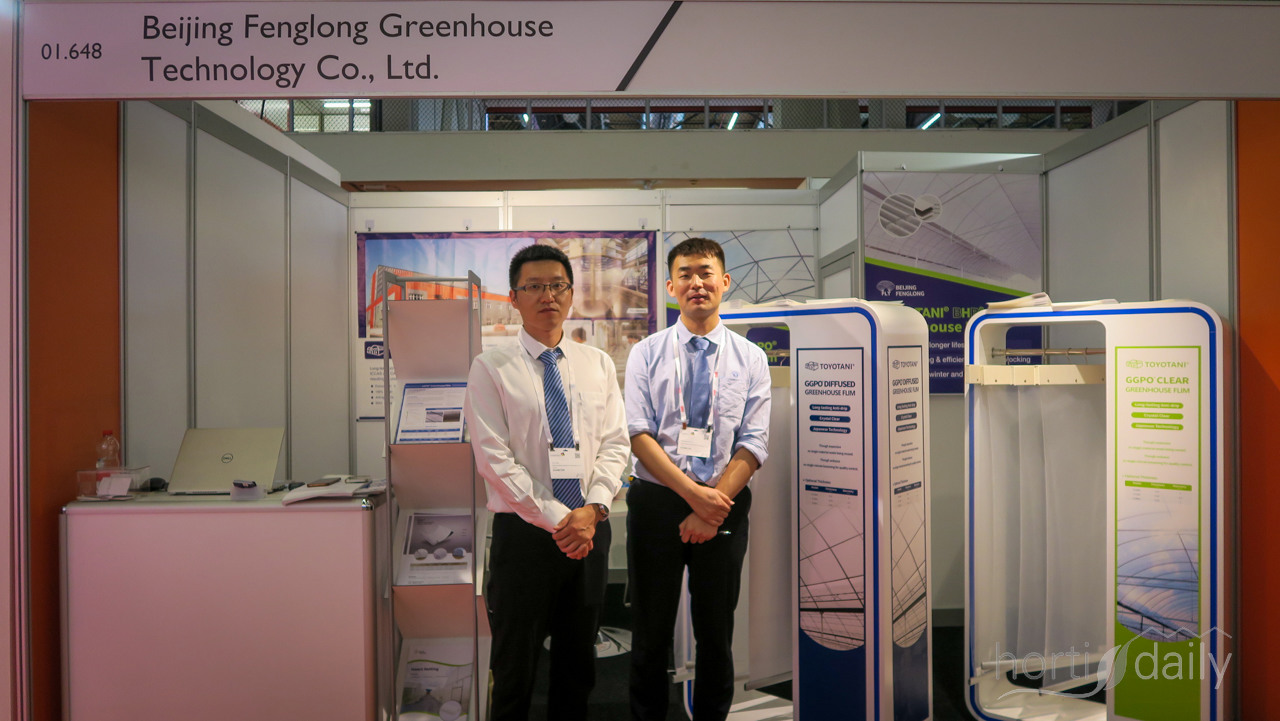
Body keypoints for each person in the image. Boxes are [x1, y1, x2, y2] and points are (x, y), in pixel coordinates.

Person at [463, 243, 630, 721]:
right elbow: (494, 460)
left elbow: (615, 444)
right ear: (513, 298)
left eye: (557, 285)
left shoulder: (597, 364)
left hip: (590, 531)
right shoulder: (490, 368)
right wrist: (562, 519)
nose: (547, 296)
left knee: (578, 666)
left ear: (571, 293)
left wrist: (592, 509)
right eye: (534, 286)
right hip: (526, 536)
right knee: (515, 667)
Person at [624, 237, 771, 721]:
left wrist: (712, 506)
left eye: (705, 273)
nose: (696, 283)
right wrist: (694, 498)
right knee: (650, 630)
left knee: (715, 631)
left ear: (724, 282)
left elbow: (754, 443)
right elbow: (638, 434)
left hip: (724, 502)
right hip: (658, 502)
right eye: (685, 274)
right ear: (671, 287)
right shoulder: (645, 353)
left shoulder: (751, 357)